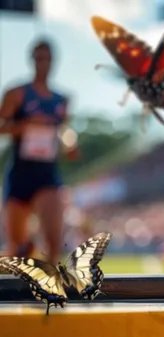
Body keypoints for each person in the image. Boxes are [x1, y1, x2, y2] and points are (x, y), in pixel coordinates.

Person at [0, 38, 78, 264]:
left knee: (54, 245)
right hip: (20, 174)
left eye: (48, 58)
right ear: (32, 60)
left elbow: (64, 130)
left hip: (47, 174)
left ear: (54, 61)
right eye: (39, 58)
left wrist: (71, 145)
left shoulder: (61, 100)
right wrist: (24, 126)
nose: (43, 63)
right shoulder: (17, 93)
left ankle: (48, 292)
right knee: (18, 249)